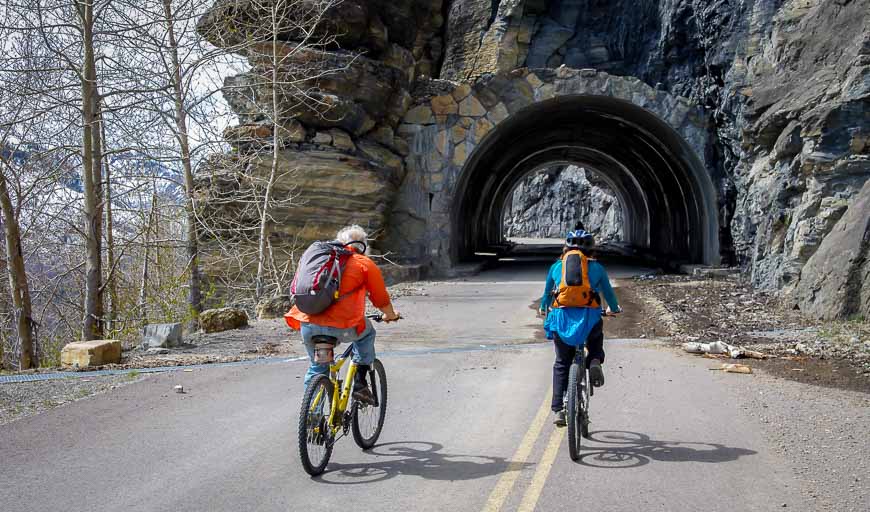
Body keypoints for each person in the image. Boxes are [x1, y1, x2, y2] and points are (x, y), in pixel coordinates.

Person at [285, 225, 400, 404]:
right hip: (343, 327)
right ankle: (361, 382)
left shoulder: (319, 258)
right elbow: (381, 300)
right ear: (362, 246)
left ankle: (312, 419)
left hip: (308, 324)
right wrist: (390, 315)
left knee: (318, 369)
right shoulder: (363, 263)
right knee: (367, 333)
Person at [539, 230, 621, 426]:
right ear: (592, 250)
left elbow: (546, 295)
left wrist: (543, 308)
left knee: (561, 363)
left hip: (562, 318)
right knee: (595, 341)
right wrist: (614, 308)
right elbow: (609, 294)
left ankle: (558, 409)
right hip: (588, 317)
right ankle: (593, 361)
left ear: (566, 248)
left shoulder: (557, 267)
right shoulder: (597, 268)